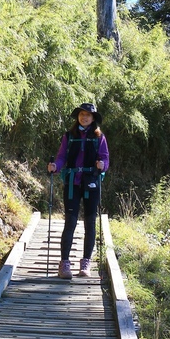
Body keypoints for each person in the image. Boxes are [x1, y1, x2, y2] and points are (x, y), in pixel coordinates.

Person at [48, 102, 109, 279]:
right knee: (71, 222)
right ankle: (64, 264)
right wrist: (55, 167)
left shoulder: (99, 137)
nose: (84, 117)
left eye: (88, 115)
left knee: (90, 223)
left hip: (91, 183)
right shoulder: (69, 136)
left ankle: (85, 263)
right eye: (82, 114)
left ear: (93, 118)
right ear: (78, 117)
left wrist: (102, 165)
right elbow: (61, 157)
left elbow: (105, 159)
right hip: (72, 183)